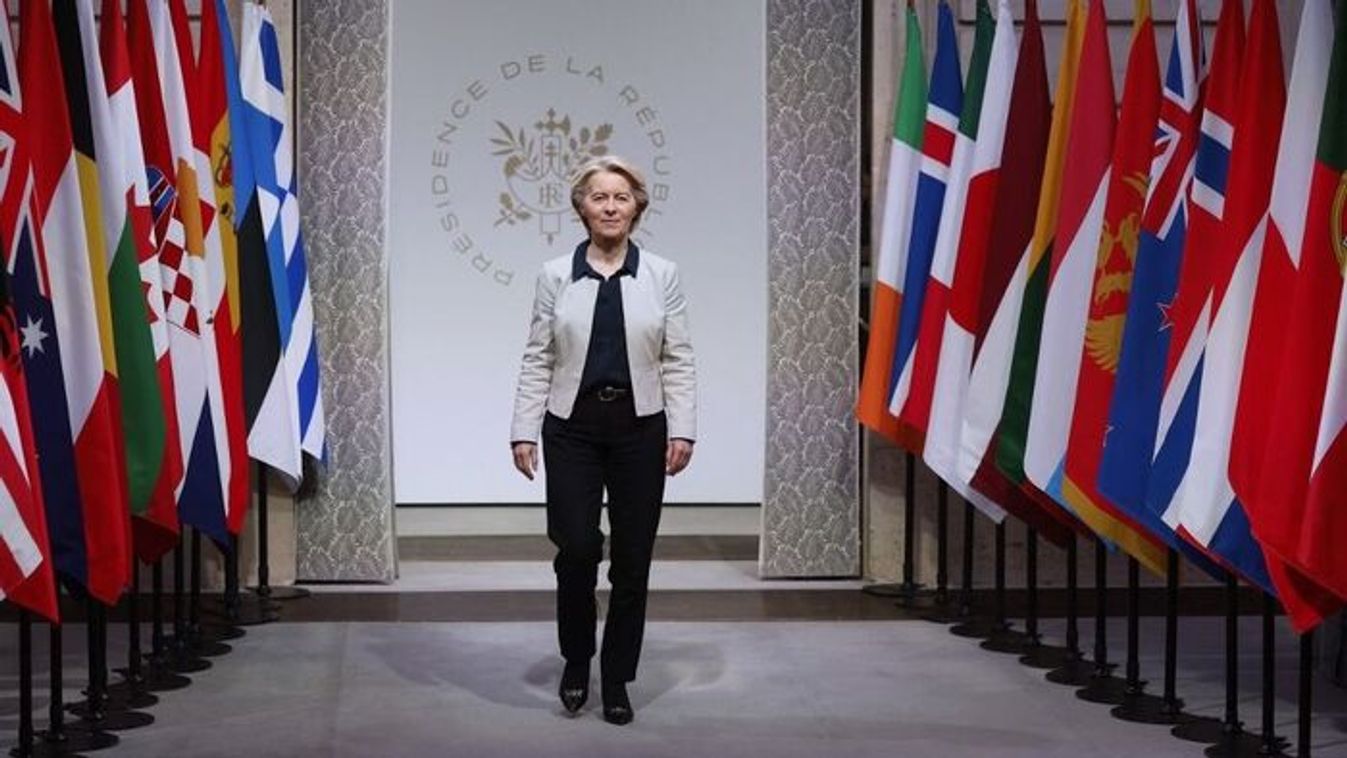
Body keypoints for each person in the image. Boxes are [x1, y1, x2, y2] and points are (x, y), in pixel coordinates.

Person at [509, 156, 697, 725]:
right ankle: (576, 658)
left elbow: (678, 356)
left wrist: (683, 427)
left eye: (621, 197)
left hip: (641, 428)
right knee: (576, 550)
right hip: (572, 428)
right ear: (581, 207)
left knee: (633, 560)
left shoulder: (661, 273)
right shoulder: (554, 274)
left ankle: (616, 678)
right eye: (599, 197)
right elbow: (538, 355)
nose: (611, 207)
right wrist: (523, 430)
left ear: (637, 206)